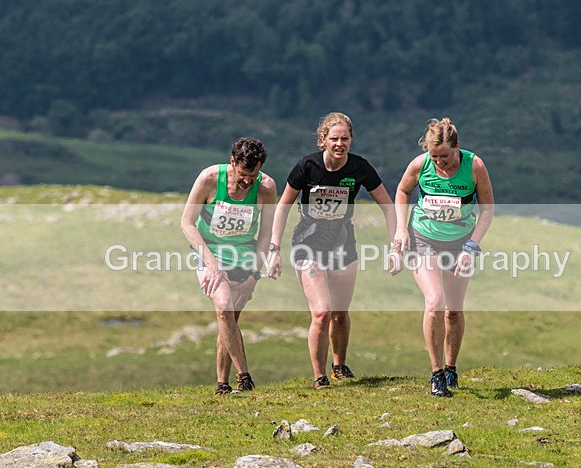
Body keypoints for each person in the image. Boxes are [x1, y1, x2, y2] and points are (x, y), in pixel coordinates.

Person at [268, 112, 396, 390]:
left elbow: (387, 205)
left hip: (343, 243)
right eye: (334, 139)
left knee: (340, 312)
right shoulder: (307, 166)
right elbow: (283, 206)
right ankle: (319, 376)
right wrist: (274, 248)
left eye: (345, 139)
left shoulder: (360, 167)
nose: (340, 144)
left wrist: (395, 243)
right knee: (322, 312)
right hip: (308, 243)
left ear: (351, 140)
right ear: (323, 139)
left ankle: (339, 366)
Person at [391, 118, 494, 397]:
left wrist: (472, 246)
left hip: (460, 242)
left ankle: (451, 367)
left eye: (445, 157)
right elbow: (402, 191)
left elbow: (487, 209)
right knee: (435, 302)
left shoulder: (474, 166)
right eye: (434, 156)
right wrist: (401, 229)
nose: (440, 163)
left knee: (453, 311)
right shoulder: (420, 164)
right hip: (424, 239)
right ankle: (437, 375)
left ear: (457, 147)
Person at [180, 137, 277, 395]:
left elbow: (266, 234)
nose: (247, 182)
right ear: (232, 162)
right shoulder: (210, 179)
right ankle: (245, 377)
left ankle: (222, 383)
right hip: (209, 254)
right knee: (223, 307)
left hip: (244, 257)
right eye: (243, 175)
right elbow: (187, 223)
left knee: (229, 320)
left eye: (253, 175)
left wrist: (253, 276)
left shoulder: (266, 187)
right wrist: (212, 265)